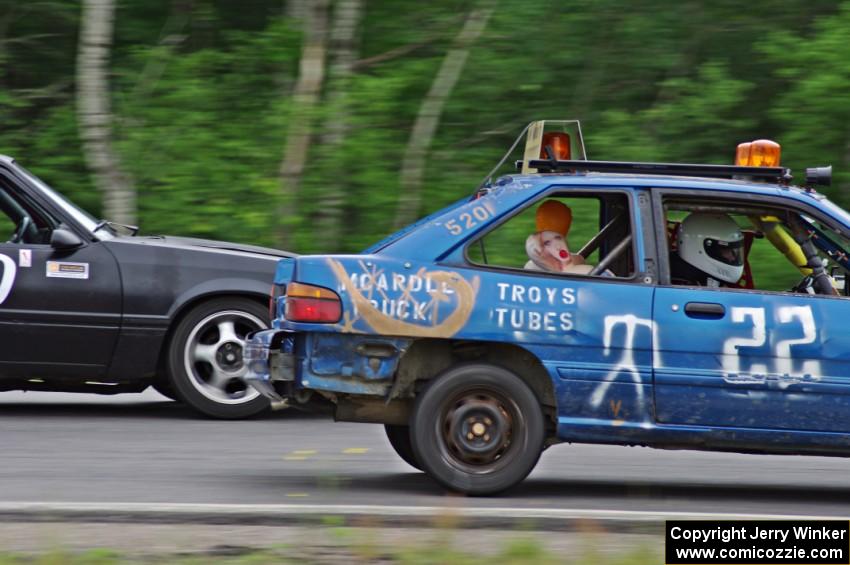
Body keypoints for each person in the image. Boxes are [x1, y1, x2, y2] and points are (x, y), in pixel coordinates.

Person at [670, 212, 744, 287]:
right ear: (697, 248)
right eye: (726, 251)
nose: (733, 257)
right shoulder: (682, 285)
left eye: (733, 251)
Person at [525, 200, 594, 274]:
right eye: (547, 243)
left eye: (558, 238)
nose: (558, 246)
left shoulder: (530, 267)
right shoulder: (582, 264)